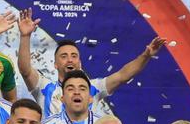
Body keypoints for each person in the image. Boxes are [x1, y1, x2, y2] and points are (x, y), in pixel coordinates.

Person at [16, 8, 164, 116]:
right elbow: (25, 70)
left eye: (74, 56)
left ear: (79, 62)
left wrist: (146, 55)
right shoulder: (45, 87)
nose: (70, 59)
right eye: (64, 56)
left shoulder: (93, 87)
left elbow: (123, 75)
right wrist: (25, 36)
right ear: (55, 64)